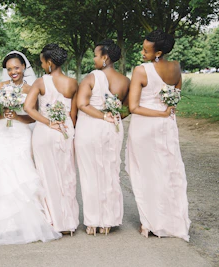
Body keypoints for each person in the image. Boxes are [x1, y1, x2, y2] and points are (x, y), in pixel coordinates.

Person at [0, 52, 62, 244]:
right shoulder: (0, 87)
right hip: (2, 133)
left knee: (22, 172)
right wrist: (5, 114)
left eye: (16, 68)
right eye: (9, 69)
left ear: (23, 68)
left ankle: (28, 223)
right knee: (2, 172)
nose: (13, 72)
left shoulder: (30, 88)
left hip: (21, 134)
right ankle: (5, 224)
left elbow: (32, 115)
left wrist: (17, 117)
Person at [126, 29, 190, 241]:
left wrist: (160, 112)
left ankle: (150, 223)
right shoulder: (176, 68)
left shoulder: (141, 70)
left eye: (146, 50)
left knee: (145, 173)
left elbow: (134, 107)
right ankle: (171, 222)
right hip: (167, 126)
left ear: (159, 52)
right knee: (168, 171)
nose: (142, 52)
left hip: (145, 126)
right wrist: (165, 111)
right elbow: (175, 98)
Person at [75, 40, 130, 236]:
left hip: (90, 127)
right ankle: (108, 221)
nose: (94, 59)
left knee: (90, 174)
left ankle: (92, 222)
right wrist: (114, 117)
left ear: (105, 57)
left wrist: (102, 115)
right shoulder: (125, 81)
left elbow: (82, 104)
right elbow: (128, 108)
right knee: (110, 171)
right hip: (113, 129)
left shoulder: (92, 77)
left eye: (96, 55)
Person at [24, 43, 79, 235]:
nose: (41, 66)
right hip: (65, 131)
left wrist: (48, 122)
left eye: (41, 62)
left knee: (46, 175)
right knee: (66, 175)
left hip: (45, 132)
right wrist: (67, 131)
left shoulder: (40, 82)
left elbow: (28, 108)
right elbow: (73, 115)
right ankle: (68, 222)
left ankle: (52, 221)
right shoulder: (73, 83)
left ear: (49, 62)